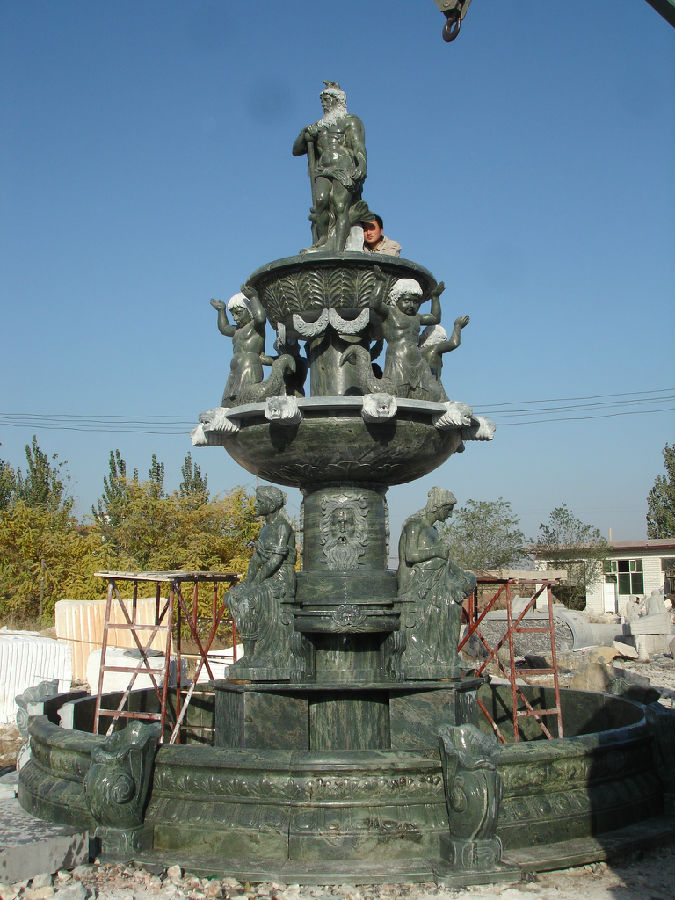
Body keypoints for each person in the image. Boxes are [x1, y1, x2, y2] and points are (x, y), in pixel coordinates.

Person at [396, 487, 476, 676]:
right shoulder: (414, 525)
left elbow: (444, 559)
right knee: (440, 608)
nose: (450, 515)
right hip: (415, 584)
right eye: (448, 510)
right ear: (438, 507)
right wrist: (437, 551)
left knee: (451, 607)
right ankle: (423, 660)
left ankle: (445, 657)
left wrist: (462, 574)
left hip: (433, 582)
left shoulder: (433, 530)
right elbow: (410, 555)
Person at [293, 81, 367, 252]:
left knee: (341, 207)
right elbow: (296, 150)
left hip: (343, 168)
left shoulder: (350, 121)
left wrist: (362, 164)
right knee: (320, 201)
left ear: (338, 100)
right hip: (322, 169)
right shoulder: (318, 127)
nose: (324, 103)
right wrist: (304, 133)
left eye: (327, 99)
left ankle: (338, 248)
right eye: (322, 100)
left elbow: (358, 145)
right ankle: (323, 240)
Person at [370, 267, 447, 401]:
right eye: (406, 301)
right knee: (396, 393)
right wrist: (380, 282)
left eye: (415, 302)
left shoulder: (417, 317)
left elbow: (435, 318)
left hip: (417, 360)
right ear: (397, 299)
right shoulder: (390, 313)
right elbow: (375, 304)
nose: (411, 305)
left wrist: (435, 298)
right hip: (397, 357)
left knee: (428, 394)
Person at [210, 283, 266, 407]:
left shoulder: (255, 327)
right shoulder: (237, 330)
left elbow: (260, 318)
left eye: (238, 313)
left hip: (249, 368)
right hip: (235, 371)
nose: (235, 318)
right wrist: (221, 310)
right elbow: (224, 328)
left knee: (245, 400)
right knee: (228, 403)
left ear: (249, 311)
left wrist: (253, 298)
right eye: (233, 315)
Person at [419, 315, 470, 382]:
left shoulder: (417, 351)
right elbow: (454, 343)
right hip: (431, 383)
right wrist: (458, 326)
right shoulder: (435, 348)